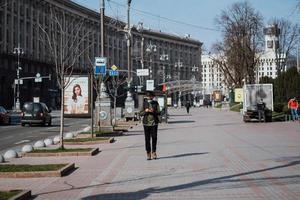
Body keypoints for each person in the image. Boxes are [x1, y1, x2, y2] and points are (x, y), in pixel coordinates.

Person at [140, 91, 161, 160]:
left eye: (151, 96)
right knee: (147, 139)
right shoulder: (144, 103)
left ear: (153, 97)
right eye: (148, 96)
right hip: (146, 123)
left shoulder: (155, 103)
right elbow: (140, 113)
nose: (149, 97)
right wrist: (145, 111)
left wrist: (153, 111)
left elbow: (159, 112)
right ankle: (148, 153)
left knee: (154, 138)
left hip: (154, 123)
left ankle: (154, 152)